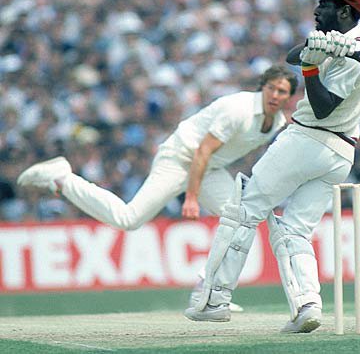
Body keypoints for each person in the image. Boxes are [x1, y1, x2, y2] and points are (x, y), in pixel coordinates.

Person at [17, 65, 297, 310]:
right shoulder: (238, 110)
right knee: (129, 219)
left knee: (241, 220)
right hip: (180, 159)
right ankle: (63, 179)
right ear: (262, 87)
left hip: (209, 169)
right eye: (271, 88)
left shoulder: (277, 122)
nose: (275, 95)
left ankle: (206, 290)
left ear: (289, 97)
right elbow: (202, 151)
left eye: (282, 92)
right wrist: (191, 197)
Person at [184, 0, 360, 333]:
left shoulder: (357, 58)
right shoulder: (339, 43)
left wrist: (312, 67)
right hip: (339, 154)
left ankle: (214, 299)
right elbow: (290, 57)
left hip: (309, 138)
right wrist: (318, 47)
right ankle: (307, 305)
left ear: (346, 11)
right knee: (295, 231)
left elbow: (324, 107)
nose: (317, 10)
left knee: (244, 210)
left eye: (325, 5)